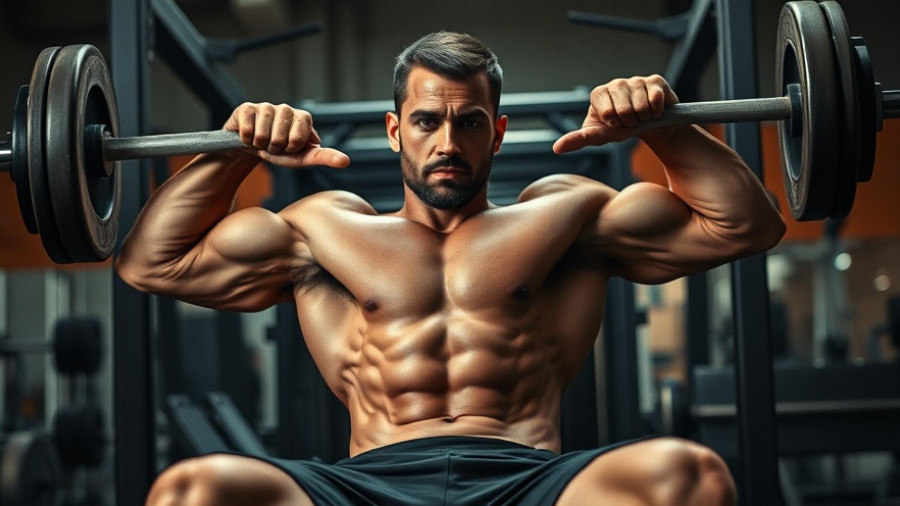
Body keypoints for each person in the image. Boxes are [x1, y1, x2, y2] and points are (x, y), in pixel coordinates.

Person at [118, 31, 784, 506]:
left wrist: (663, 126)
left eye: (468, 123)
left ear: (495, 132)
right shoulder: (323, 231)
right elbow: (151, 263)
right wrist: (235, 150)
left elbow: (746, 226)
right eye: (426, 121)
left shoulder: (565, 219)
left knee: (690, 477)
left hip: (528, 477)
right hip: (366, 483)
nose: (446, 143)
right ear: (393, 129)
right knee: (190, 492)